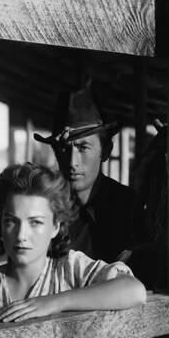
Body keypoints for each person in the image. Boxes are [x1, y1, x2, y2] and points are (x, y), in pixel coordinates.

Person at [0, 163, 146, 325]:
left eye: (35, 222)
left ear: (55, 226)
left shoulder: (71, 269)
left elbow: (134, 290)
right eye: (11, 221)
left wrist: (53, 303)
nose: (21, 235)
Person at [34, 85, 137, 265]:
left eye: (83, 148)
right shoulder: (45, 208)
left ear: (105, 151)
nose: (72, 162)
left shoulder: (129, 206)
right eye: (64, 149)